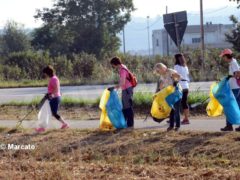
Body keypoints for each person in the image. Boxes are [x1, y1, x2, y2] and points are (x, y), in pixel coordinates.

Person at [35, 65, 69, 132]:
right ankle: (64, 124)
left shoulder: (53, 79)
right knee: (51, 113)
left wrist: (50, 94)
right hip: (53, 97)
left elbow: (56, 89)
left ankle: (43, 128)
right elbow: (54, 89)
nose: (44, 75)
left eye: (45, 73)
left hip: (55, 98)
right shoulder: (54, 78)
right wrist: (48, 94)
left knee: (48, 112)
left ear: (47, 73)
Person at [154, 63, 181, 131]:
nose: (158, 72)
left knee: (176, 110)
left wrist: (176, 81)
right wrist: (157, 93)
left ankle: (177, 126)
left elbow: (179, 77)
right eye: (157, 71)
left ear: (162, 68)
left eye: (158, 70)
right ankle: (171, 126)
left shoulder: (170, 71)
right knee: (171, 110)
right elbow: (161, 86)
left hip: (176, 93)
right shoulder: (162, 76)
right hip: (169, 94)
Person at [110, 57, 134, 128]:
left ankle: (130, 124)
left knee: (128, 107)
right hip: (126, 89)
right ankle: (126, 123)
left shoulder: (122, 70)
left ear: (115, 64)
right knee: (125, 106)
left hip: (127, 90)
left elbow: (123, 82)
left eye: (112, 65)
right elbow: (122, 81)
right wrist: (117, 88)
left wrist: (114, 87)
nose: (113, 66)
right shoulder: (123, 67)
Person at [219, 49, 240, 131]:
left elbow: (238, 74)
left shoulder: (233, 63)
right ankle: (229, 125)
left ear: (226, 56)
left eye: (223, 56)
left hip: (235, 88)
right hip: (233, 87)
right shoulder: (232, 63)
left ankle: (229, 125)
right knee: (233, 106)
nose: (223, 58)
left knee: (229, 106)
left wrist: (229, 77)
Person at [174, 53, 190, 124]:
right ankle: (186, 118)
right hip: (186, 85)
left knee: (175, 102)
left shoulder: (176, 66)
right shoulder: (185, 67)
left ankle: (175, 117)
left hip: (180, 86)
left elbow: (175, 76)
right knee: (184, 103)